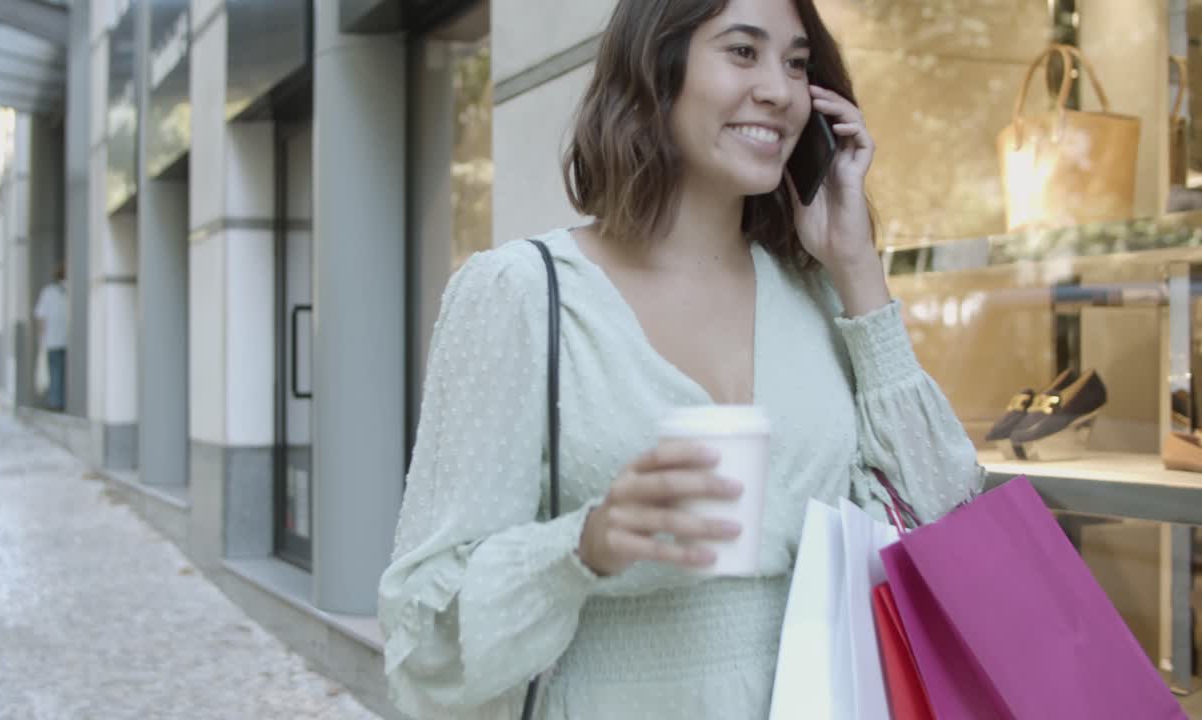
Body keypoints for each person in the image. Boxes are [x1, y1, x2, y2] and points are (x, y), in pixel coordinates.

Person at [378, 0, 986, 717]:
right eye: (742, 51)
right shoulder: (521, 294)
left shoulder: (819, 295)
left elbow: (951, 522)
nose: (780, 90)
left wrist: (857, 270)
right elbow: (422, 635)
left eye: (797, 63)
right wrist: (585, 546)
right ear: (656, 69)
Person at [34, 263, 68, 411]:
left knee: (54, 371)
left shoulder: (48, 292)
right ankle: (61, 401)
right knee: (63, 372)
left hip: (52, 340)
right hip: (67, 340)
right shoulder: (68, 291)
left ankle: (55, 402)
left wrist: (42, 338)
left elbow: (41, 317)